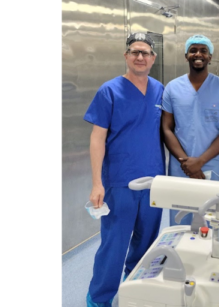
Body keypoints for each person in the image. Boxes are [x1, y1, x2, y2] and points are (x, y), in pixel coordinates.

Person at [82, 32, 165, 307]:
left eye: (145, 53)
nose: (140, 57)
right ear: (126, 56)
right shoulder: (110, 91)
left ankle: (135, 290)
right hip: (120, 182)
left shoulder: (160, 90)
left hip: (153, 180)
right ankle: (99, 298)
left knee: (147, 244)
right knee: (113, 246)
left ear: (153, 58)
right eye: (134, 51)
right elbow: (97, 138)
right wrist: (97, 183)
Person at [161, 34, 219, 226]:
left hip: (212, 166)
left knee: (215, 223)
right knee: (180, 222)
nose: (198, 54)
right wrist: (186, 162)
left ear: (210, 57)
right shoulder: (172, 88)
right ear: (186, 55)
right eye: (193, 50)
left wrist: (201, 161)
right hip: (181, 167)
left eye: (203, 51)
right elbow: (166, 128)